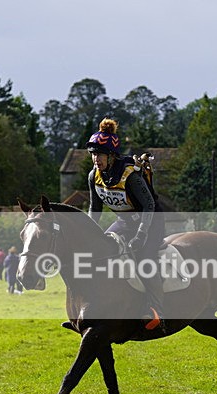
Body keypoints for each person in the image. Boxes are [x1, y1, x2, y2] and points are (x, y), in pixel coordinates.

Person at [86, 118, 165, 330]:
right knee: (102, 252)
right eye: (93, 154)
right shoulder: (94, 176)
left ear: (111, 156)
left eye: (100, 154)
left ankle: (157, 310)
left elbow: (148, 204)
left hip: (150, 222)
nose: (96, 159)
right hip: (124, 222)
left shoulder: (130, 175)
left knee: (144, 258)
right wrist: (89, 235)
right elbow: (95, 210)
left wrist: (141, 235)